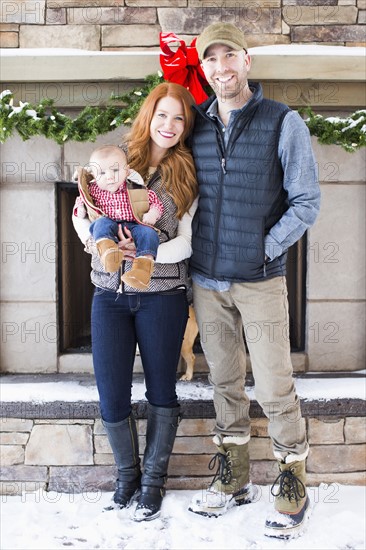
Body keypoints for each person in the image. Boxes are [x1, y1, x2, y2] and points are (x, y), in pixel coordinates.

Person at [187, 22, 321, 540]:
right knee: (223, 381)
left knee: (273, 384)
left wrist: (263, 247)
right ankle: (233, 476)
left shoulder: (282, 122)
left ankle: (291, 482)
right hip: (207, 280)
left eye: (229, 57)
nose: (220, 68)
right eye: (211, 60)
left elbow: (306, 201)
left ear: (248, 62)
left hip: (261, 280)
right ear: (204, 71)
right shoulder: (195, 125)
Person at [72, 82, 198, 521]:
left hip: (162, 295)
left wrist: (144, 254)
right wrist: (98, 245)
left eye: (179, 118)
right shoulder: (113, 162)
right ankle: (127, 476)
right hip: (109, 295)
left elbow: (187, 243)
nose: (169, 125)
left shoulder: (187, 174)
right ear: (149, 117)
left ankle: (153, 480)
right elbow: (79, 214)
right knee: (111, 393)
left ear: (186, 127)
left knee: (162, 389)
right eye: (162, 115)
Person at [74, 145, 163, 289]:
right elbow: (82, 201)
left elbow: (154, 202)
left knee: (149, 233)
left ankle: (141, 270)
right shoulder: (93, 190)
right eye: (101, 173)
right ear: (94, 176)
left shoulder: (135, 187)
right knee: (100, 224)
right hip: (109, 224)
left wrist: (153, 213)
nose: (109, 177)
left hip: (134, 224)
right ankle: (108, 251)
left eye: (115, 170)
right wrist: (80, 210)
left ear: (126, 171)